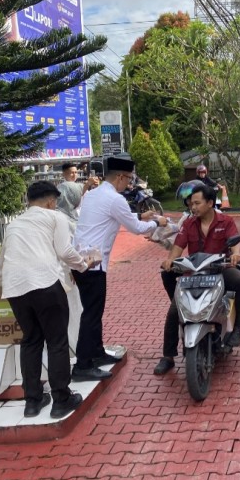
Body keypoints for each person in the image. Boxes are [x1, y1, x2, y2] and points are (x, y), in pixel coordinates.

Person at [0, 181, 95, 419]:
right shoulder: (55, 218)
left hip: (15, 288)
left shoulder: (14, 225)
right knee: (56, 341)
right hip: (44, 284)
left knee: (30, 340)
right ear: (52, 201)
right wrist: (83, 265)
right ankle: (61, 398)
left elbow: (3, 260)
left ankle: (32, 400)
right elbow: (64, 251)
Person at [72, 156, 169, 381]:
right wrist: (157, 222)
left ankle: (96, 353)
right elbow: (136, 228)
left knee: (93, 312)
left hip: (82, 261)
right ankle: (83, 366)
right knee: (92, 315)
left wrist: (139, 215)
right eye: (129, 179)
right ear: (119, 177)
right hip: (93, 264)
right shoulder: (115, 199)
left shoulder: (93, 194)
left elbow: (110, 217)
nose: (130, 184)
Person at [155, 184, 240, 374]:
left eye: (197, 203)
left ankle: (239, 327)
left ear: (209, 203)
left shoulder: (225, 221)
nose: (193, 207)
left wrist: (236, 255)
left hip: (219, 270)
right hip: (193, 273)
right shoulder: (189, 223)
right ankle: (167, 356)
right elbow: (178, 246)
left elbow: (235, 243)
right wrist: (169, 260)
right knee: (175, 309)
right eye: (192, 204)